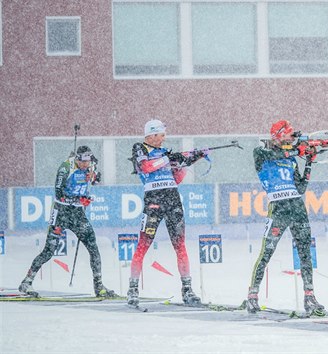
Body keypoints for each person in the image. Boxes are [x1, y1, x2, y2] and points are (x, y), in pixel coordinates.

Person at [246, 120, 325, 316]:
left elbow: (300, 188)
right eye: (288, 135)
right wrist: (298, 151)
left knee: (305, 253)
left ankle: (310, 296)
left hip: (297, 206)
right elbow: (276, 154)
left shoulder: (291, 158)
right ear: (278, 136)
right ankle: (252, 295)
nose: (291, 139)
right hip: (278, 207)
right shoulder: (261, 152)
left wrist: (308, 163)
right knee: (267, 251)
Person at [18, 146, 116, 298]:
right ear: (76, 158)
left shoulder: (91, 164)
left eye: (88, 161)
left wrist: (94, 177)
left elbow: (96, 179)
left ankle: (99, 286)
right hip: (61, 212)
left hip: (77, 214)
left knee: (93, 247)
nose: (85, 164)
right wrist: (79, 199)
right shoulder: (65, 168)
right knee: (49, 251)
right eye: (82, 162)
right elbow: (59, 192)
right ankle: (26, 282)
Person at [127, 119, 205, 306]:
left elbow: (178, 176)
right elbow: (146, 167)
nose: (163, 139)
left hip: (172, 199)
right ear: (151, 135)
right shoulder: (140, 148)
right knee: (143, 245)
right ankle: (133, 289)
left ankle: (187, 290)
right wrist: (166, 159)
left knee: (180, 246)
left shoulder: (166, 152)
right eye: (161, 136)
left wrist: (196, 156)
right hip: (153, 200)